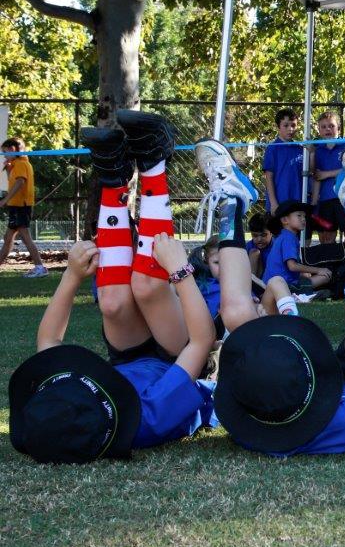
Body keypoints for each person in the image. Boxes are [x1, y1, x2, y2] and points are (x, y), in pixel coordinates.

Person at [10, 111, 216, 464]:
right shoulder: (146, 420)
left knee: (112, 301)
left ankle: (113, 178)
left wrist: (72, 276)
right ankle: (153, 161)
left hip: (127, 358)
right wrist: (180, 271)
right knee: (147, 286)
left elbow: (48, 343)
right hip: (178, 359)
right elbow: (201, 342)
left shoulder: (62, 405)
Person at [207, 137, 345, 456]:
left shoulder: (250, 412)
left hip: (282, 363)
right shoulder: (339, 424)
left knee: (234, 315)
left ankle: (232, 201)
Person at [262, 201, 331, 316]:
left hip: (274, 283)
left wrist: (304, 273)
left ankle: (302, 294)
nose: (303, 219)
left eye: (304, 216)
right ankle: (297, 295)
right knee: (325, 276)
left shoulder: (284, 235)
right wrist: (318, 270)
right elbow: (292, 266)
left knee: (311, 277)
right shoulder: (288, 237)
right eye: (299, 215)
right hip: (284, 284)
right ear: (285, 220)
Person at [0, 137, 47, 277]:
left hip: (21, 206)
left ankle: (40, 267)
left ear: (13, 150)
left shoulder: (21, 163)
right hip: (16, 206)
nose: (4, 155)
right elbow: (13, 180)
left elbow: (20, 182)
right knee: (8, 238)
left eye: (5, 152)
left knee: (25, 237)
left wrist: (5, 200)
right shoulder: (17, 164)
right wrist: (8, 168)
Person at [310, 111, 345, 242]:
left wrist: (327, 174)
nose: (328, 129)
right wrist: (314, 202)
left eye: (331, 126)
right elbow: (314, 174)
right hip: (325, 200)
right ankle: (330, 257)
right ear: (319, 130)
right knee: (326, 238)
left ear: (338, 128)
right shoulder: (317, 149)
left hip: (344, 198)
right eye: (324, 127)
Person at [262, 108, 304, 215]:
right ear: (278, 127)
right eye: (286, 125)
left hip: (297, 202)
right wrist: (273, 203)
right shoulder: (272, 149)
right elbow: (269, 178)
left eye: (293, 125)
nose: (290, 129)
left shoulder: (301, 149)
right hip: (279, 202)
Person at [245, 213, 272, 279]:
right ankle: (251, 283)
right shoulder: (248, 247)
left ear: (271, 233)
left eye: (263, 235)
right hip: (253, 278)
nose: (259, 239)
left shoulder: (277, 247)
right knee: (254, 252)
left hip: (272, 279)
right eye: (255, 235)